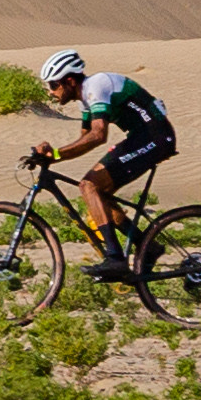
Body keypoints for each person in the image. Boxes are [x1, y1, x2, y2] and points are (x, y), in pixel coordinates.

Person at [32, 49, 175, 283]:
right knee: (98, 195)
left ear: (70, 81)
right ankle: (146, 246)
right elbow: (84, 140)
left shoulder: (96, 86)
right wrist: (52, 155)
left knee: (88, 186)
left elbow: (98, 135)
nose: (50, 91)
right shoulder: (86, 100)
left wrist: (56, 154)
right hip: (141, 137)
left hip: (155, 138)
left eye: (54, 85)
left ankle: (115, 258)